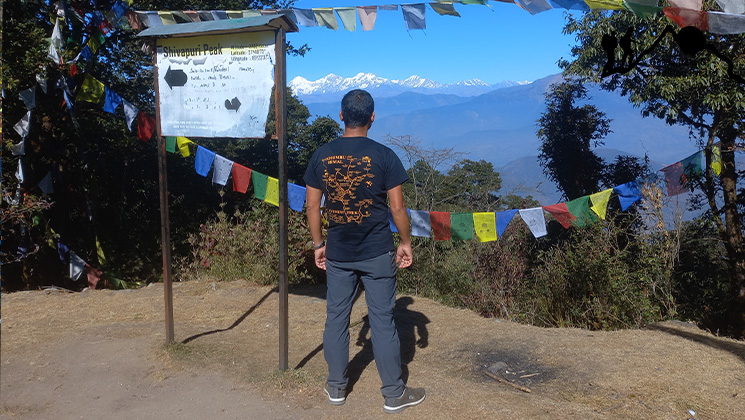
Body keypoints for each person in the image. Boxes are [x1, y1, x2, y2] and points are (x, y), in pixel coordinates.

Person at [304, 89, 426, 414]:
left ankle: (336, 388)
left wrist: (319, 244)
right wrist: (405, 242)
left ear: (340, 115)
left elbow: (312, 205)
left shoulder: (322, 155)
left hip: (339, 252)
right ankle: (393, 394)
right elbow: (397, 208)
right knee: (383, 321)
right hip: (377, 252)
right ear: (373, 117)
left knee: (336, 318)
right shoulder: (385, 156)